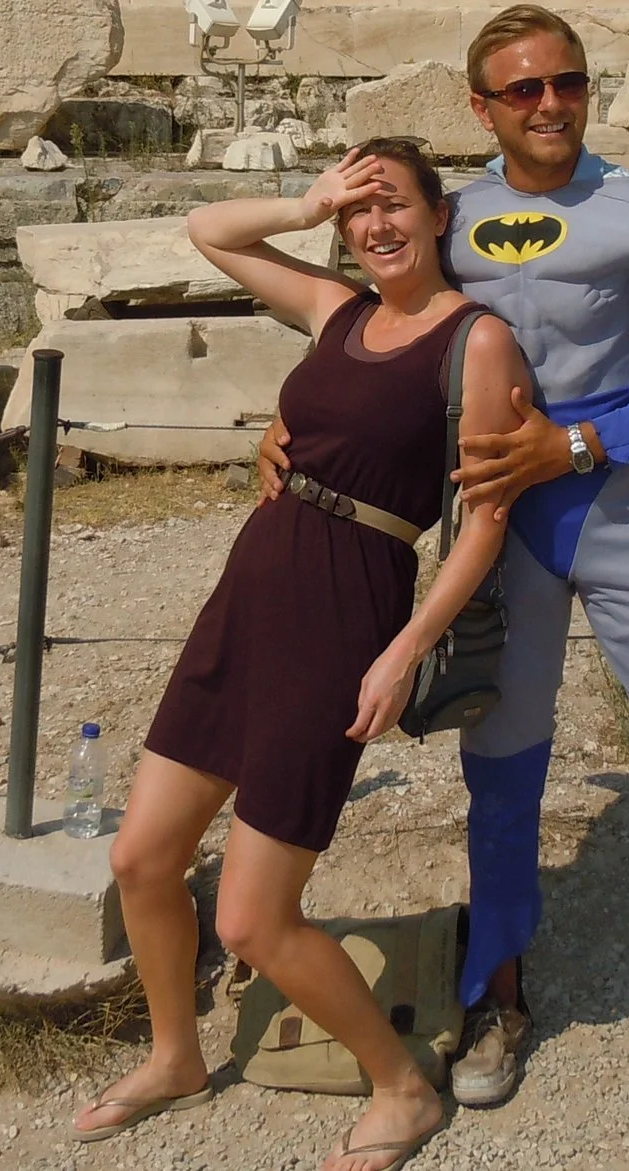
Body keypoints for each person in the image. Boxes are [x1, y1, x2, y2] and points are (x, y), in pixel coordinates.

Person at [261, 5, 629, 1103]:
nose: (550, 105)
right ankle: (498, 986)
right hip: (499, 527)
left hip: (620, 511)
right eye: (522, 89)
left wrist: (572, 445)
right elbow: (379, 319)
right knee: (501, 766)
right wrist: (290, 418)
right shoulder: (455, 217)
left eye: (566, 82)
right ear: (480, 108)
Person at [72, 137, 533, 1171]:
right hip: (252, 588)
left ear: (439, 216)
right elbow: (208, 231)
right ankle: (176, 1056)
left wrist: (405, 648)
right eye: (357, 208)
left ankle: (401, 1087)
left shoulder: (477, 341)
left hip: (347, 605)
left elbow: (487, 521)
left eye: (393, 202)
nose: (374, 224)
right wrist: (304, 203)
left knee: (250, 918)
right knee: (139, 858)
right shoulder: (339, 310)